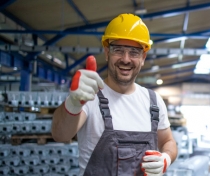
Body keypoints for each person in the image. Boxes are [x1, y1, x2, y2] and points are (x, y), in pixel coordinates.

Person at [52, 13, 177, 176]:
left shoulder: (154, 101)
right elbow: (60, 135)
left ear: (143, 57)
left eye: (134, 52)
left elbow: (168, 141)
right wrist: (73, 103)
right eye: (118, 50)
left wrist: (166, 158)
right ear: (107, 52)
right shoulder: (89, 96)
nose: (126, 59)